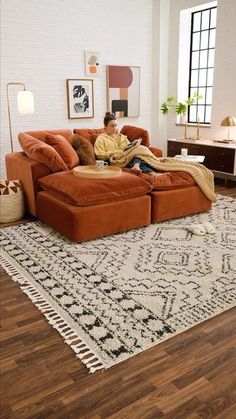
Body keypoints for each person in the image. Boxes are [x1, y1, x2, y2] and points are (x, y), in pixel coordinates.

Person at [94, 112, 162, 176]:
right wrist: (114, 153)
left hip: (126, 157)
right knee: (136, 158)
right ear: (105, 127)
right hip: (115, 160)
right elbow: (99, 154)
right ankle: (149, 172)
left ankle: (140, 166)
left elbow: (130, 148)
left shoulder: (122, 137)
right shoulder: (101, 138)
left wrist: (133, 146)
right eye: (112, 126)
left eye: (116, 125)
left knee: (139, 154)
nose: (115, 128)